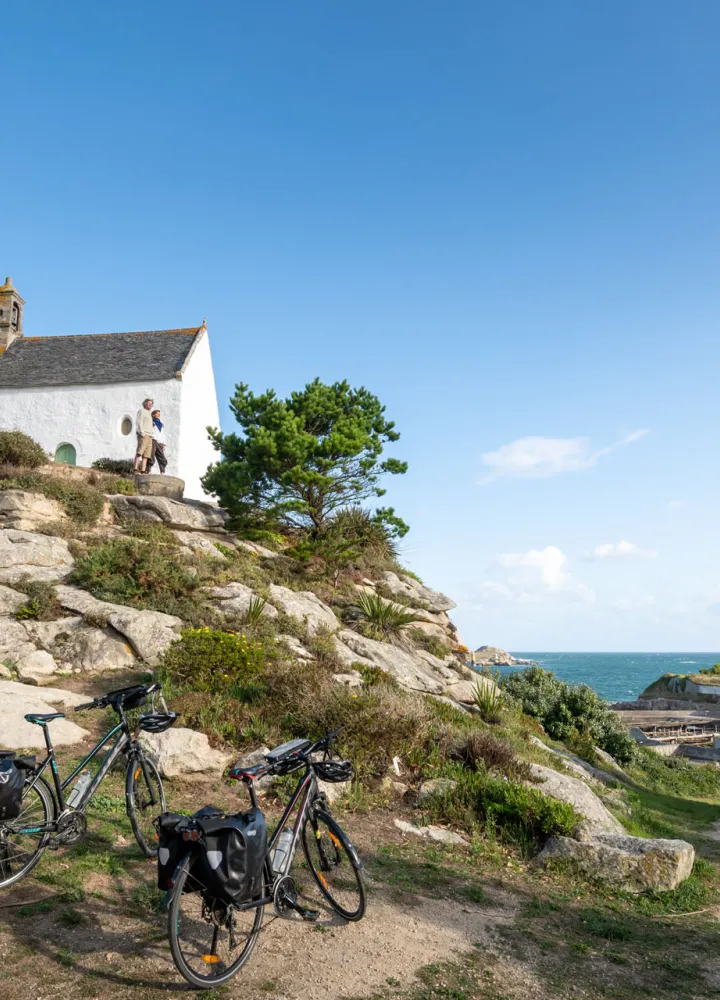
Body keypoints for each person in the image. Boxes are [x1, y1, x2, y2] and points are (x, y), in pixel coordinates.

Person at [134, 398, 154, 473]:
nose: (150, 404)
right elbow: (139, 422)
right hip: (144, 434)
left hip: (150, 436)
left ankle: (143, 470)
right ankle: (135, 469)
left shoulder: (150, 413)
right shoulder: (141, 411)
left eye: (151, 404)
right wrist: (142, 433)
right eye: (149, 403)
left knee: (146, 455)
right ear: (145, 403)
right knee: (140, 452)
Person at [147, 408, 168, 474]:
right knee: (151, 456)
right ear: (153, 415)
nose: (158, 415)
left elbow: (163, 434)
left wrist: (164, 443)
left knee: (162, 458)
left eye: (159, 414)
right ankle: (148, 470)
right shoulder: (151, 422)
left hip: (160, 442)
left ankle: (162, 472)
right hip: (153, 440)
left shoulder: (161, 424)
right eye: (157, 413)